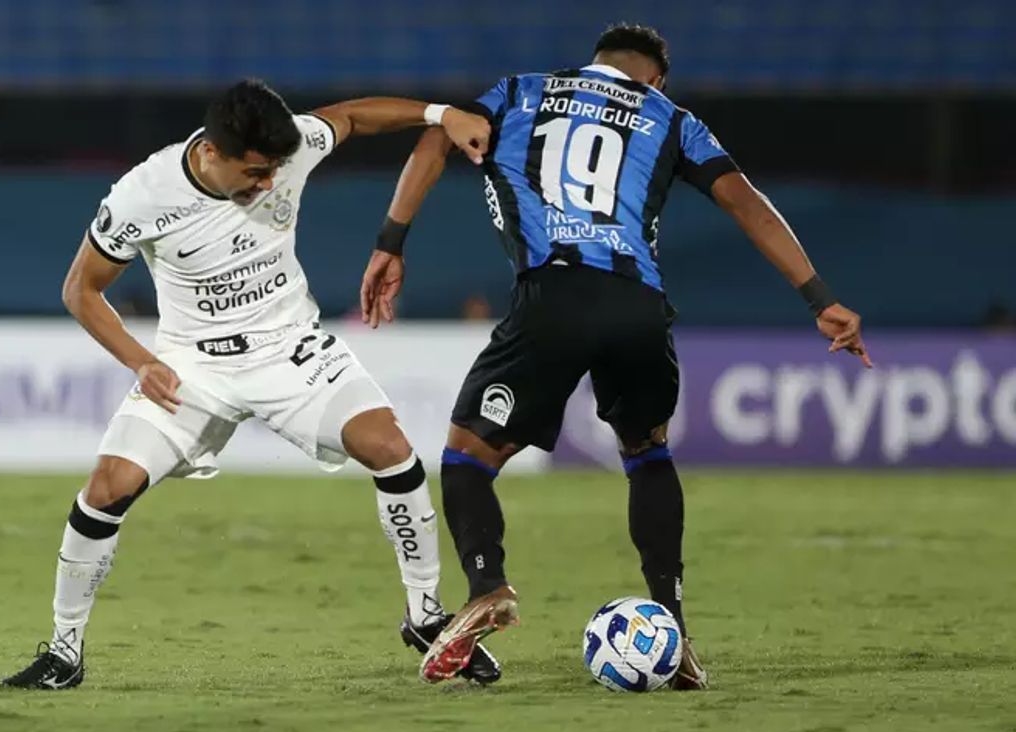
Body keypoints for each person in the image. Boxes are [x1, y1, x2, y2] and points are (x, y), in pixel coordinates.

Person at [360, 23, 872, 688]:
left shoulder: (518, 93)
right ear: (655, 78)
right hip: (639, 305)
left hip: (554, 295)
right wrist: (818, 298)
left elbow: (436, 136)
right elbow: (746, 202)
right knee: (648, 452)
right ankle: (675, 632)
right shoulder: (672, 118)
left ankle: (489, 587)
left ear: (595, 62)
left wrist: (391, 241)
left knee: (468, 458)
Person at [0, 80, 500, 689]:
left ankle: (425, 617)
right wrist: (141, 361)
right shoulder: (143, 193)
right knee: (107, 489)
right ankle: (64, 653)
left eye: (273, 172)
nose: (268, 184)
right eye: (255, 173)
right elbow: (81, 289)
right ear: (212, 152)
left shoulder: (289, 148)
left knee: (392, 451)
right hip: (192, 367)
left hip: (289, 350)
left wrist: (440, 113)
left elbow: (349, 117)